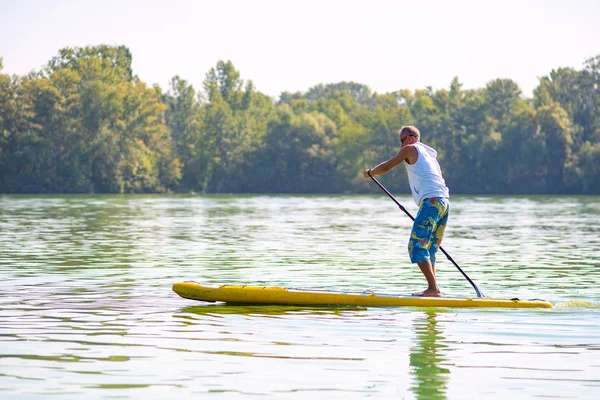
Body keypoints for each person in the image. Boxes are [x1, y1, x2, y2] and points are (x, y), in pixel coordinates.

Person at [363, 126, 450, 297]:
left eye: (401, 141)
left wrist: (370, 172)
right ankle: (434, 290)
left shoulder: (410, 148)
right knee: (430, 247)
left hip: (431, 202)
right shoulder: (429, 154)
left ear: (410, 138)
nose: (401, 146)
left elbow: (388, 166)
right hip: (444, 203)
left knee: (416, 245)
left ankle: (433, 289)